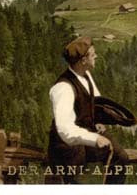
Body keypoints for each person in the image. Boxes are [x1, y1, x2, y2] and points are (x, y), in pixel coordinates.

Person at [46, 36, 131, 184]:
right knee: (74, 180)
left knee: (120, 158)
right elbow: (66, 130)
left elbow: (95, 101)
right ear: (83, 61)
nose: (96, 56)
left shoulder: (86, 75)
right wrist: (95, 139)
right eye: (93, 54)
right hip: (67, 145)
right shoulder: (63, 88)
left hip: (87, 134)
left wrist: (96, 120)